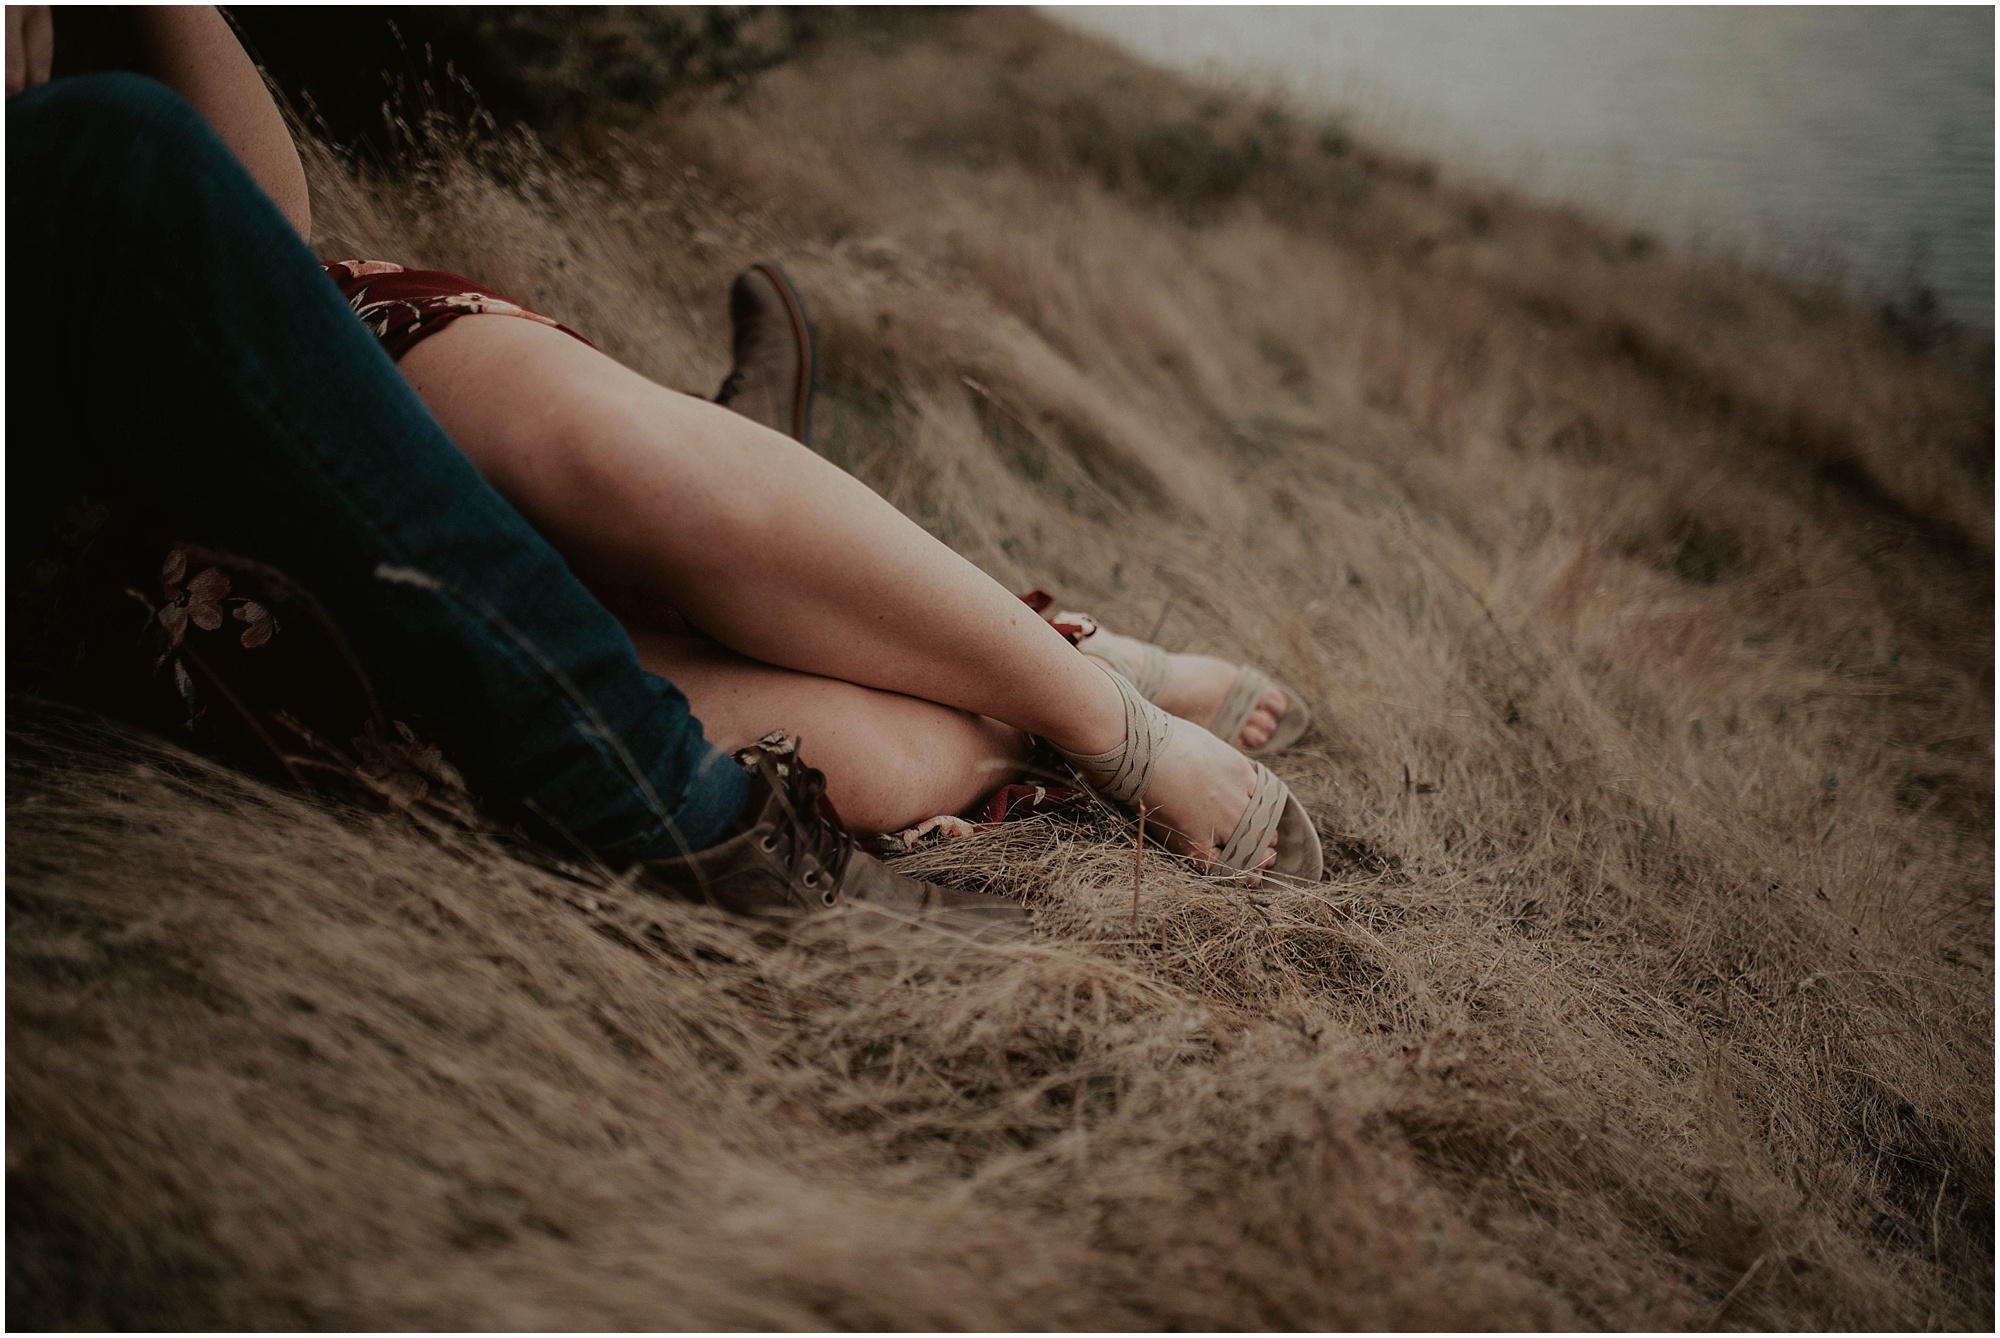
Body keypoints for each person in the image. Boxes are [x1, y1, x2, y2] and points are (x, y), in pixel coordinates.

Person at [5, 6, 1320, 940]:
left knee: (616, 458)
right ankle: (1047, 673)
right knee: (805, 747)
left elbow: (254, 242)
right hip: (104, 523)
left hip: (275, 332)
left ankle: (1096, 712)